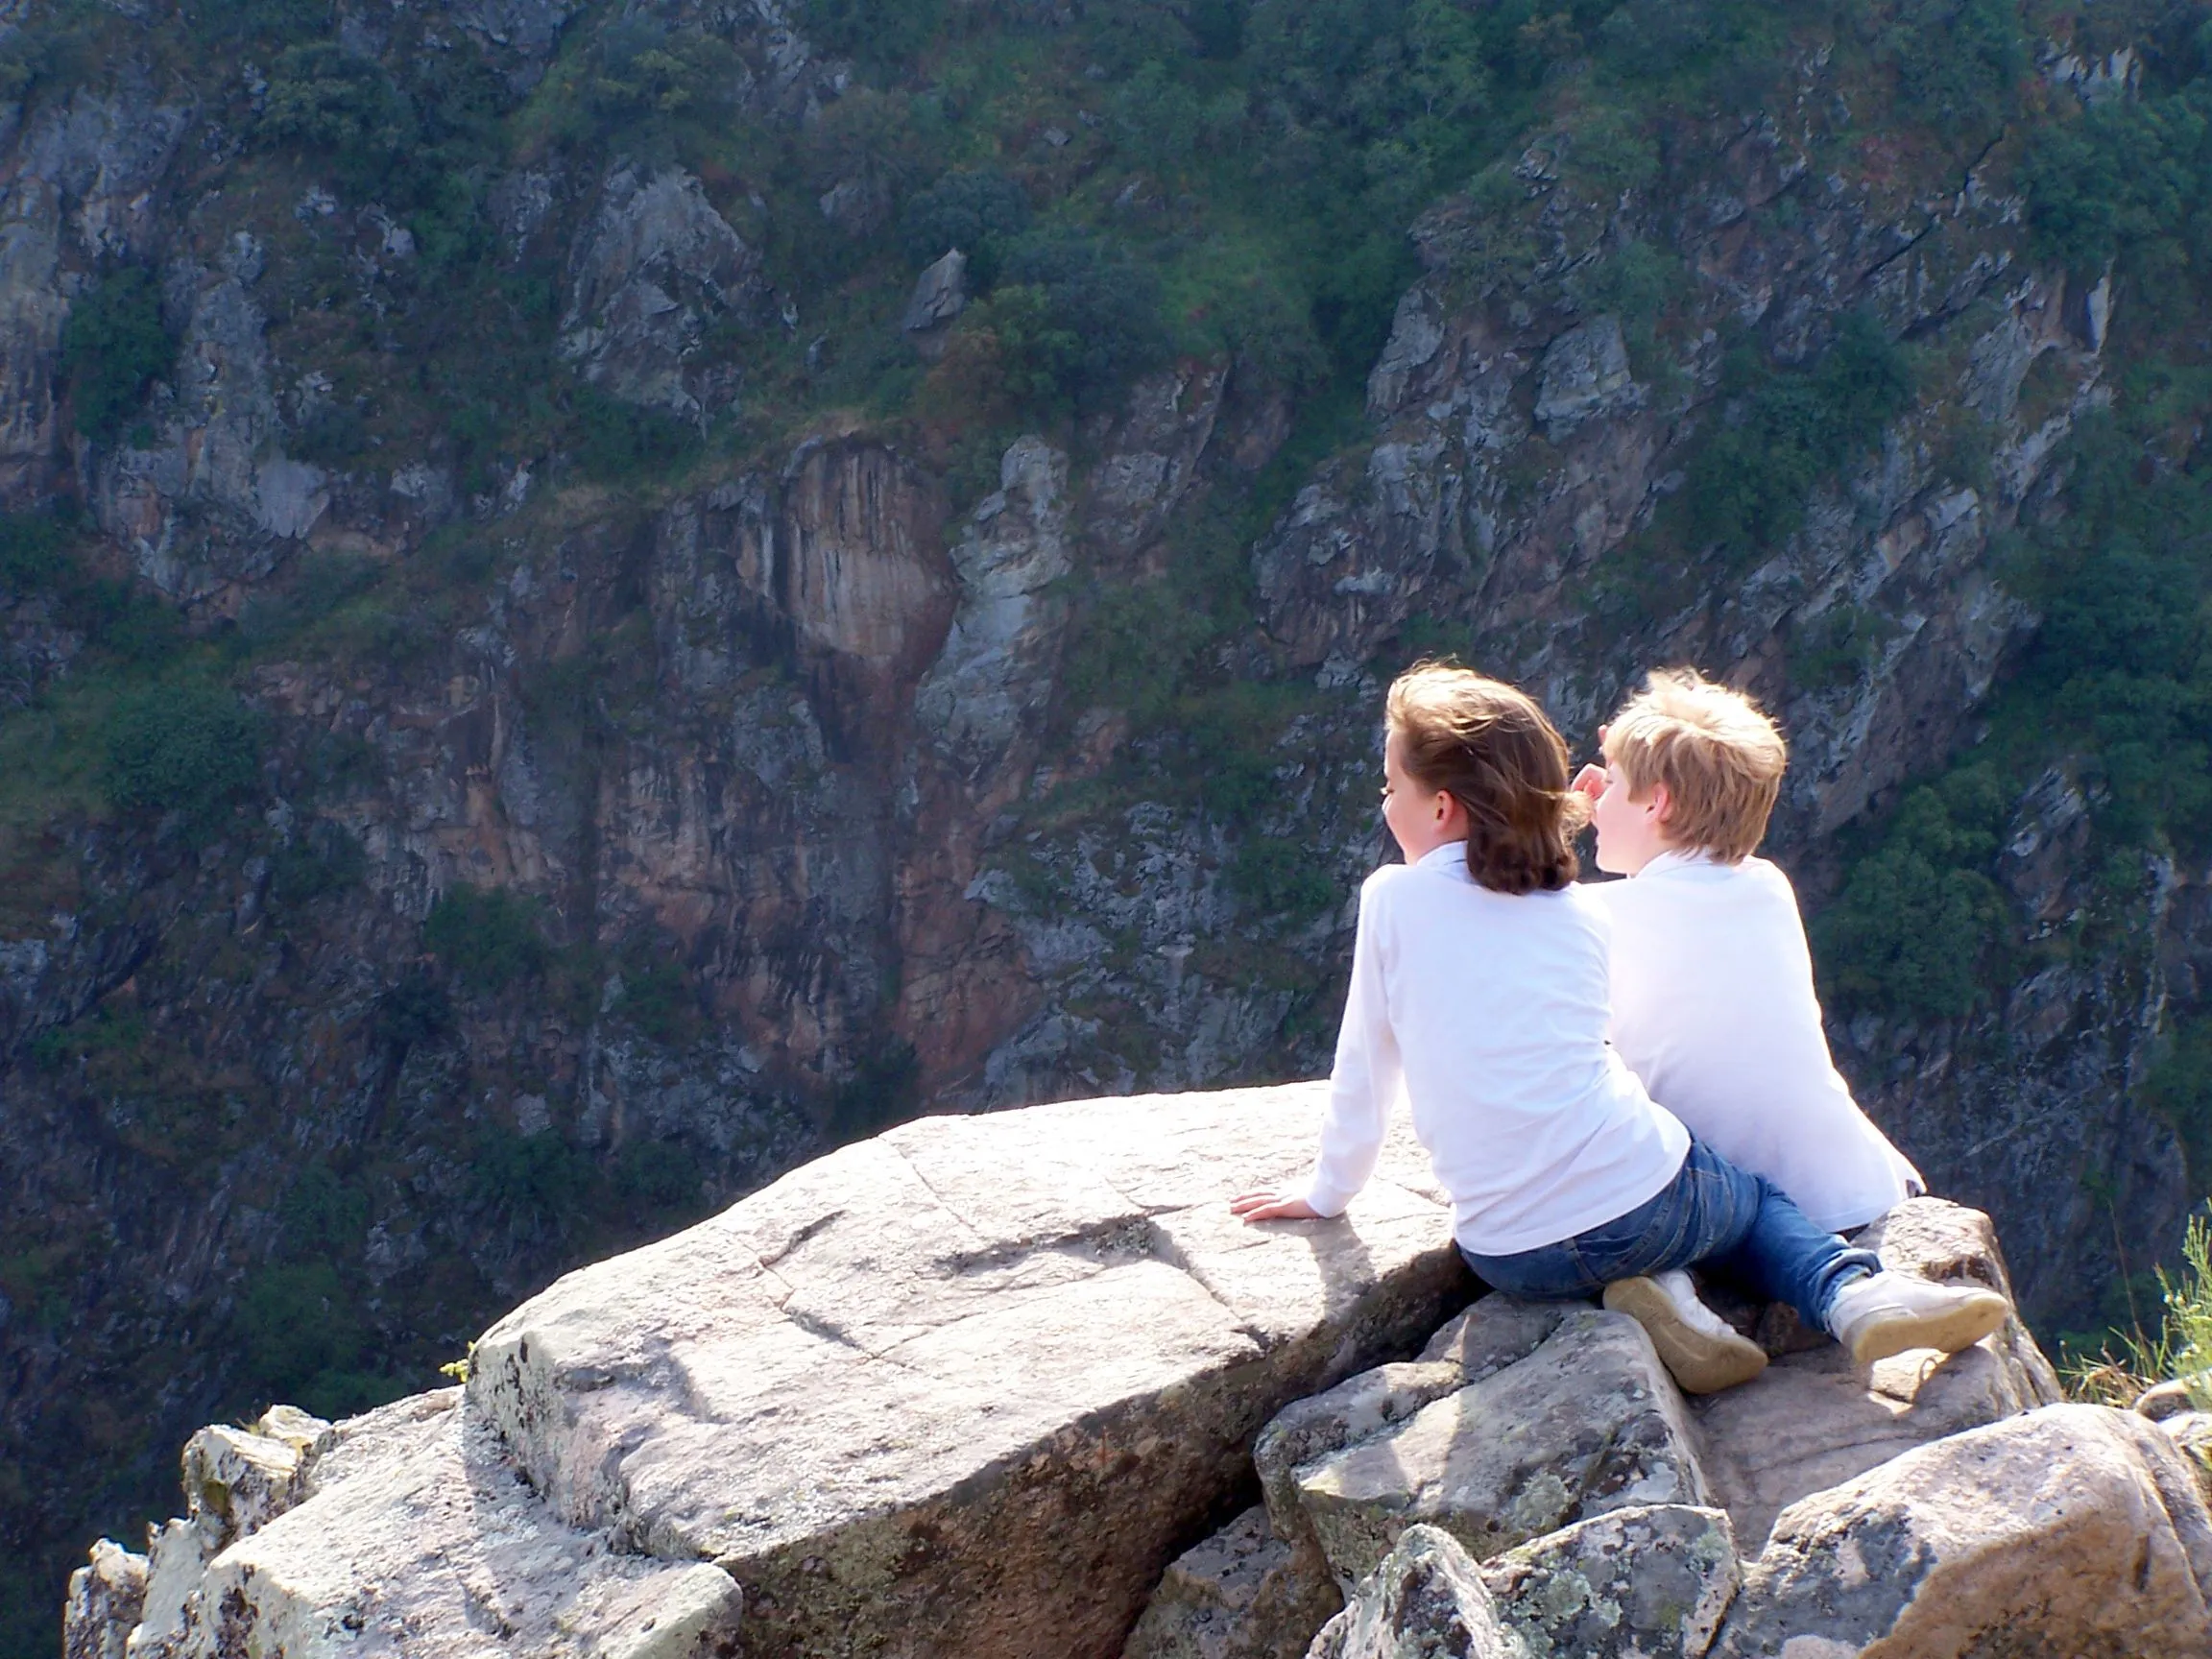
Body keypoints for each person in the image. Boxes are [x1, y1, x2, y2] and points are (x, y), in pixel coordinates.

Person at [1230, 662, 2008, 1394]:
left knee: (1639, 1198)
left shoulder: (1392, 899)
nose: (1382, 801)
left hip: (1509, 1253)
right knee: (1748, 1203)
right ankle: (1849, 1297)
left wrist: (1328, 1193)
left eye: (1388, 785)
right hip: (1653, 1197)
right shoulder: (1587, 914)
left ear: (1440, 806)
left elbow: (1365, 1066)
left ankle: (1663, 1294)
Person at [1574, 667, 1922, 1235]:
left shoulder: (1600, 918)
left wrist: (1554, 821)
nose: (1593, 799)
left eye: (1608, 785)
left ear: (1657, 802)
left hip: (1761, 1216)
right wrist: (1620, 796)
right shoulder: (1765, 886)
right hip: (1861, 1186)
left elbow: (1510, 929)